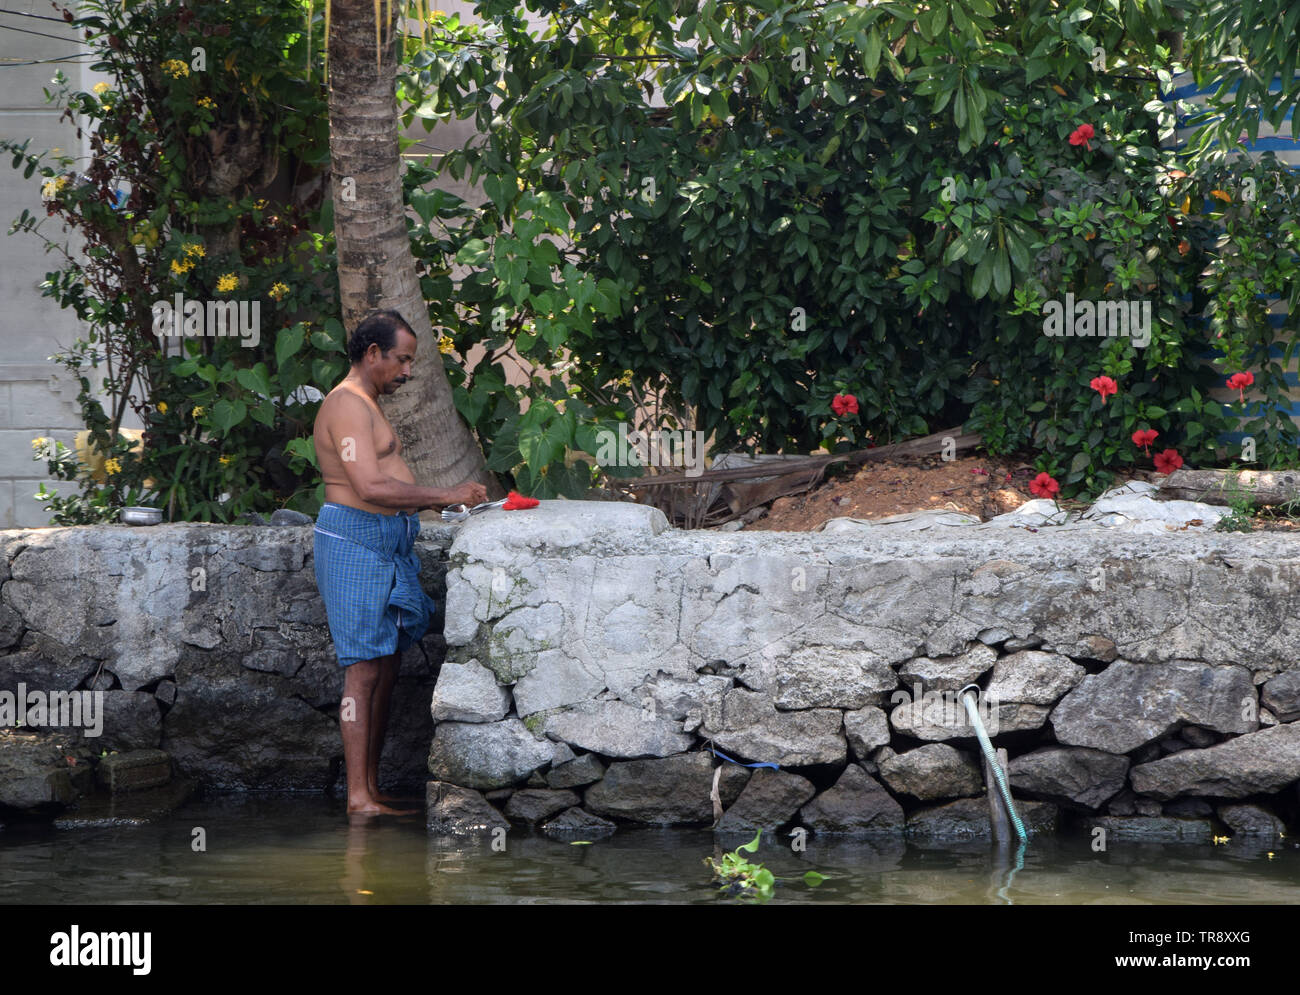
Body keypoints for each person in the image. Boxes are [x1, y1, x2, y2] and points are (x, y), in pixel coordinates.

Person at [312, 309, 488, 815]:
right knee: (361, 673)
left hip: (386, 540)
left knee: (385, 665)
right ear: (373, 354)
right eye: (402, 360)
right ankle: (358, 798)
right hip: (354, 542)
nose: (407, 371)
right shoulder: (346, 405)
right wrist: (446, 494)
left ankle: (369, 787)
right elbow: (368, 486)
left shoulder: (367, 402)